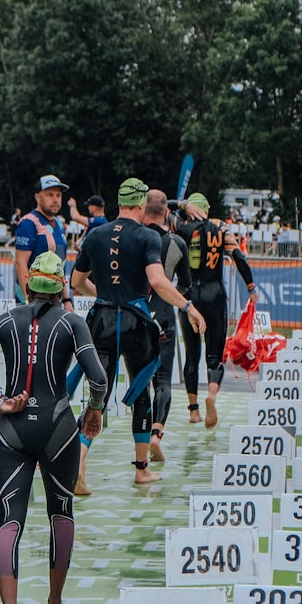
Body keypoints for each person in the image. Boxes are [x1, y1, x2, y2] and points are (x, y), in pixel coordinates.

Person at [0, 252, 109, 604]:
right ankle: (54, 603)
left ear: (27, 286)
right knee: (61, 511)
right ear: (60, 290)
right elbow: (99, 378)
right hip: (58, 429)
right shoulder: (72, 323)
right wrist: (94, 410)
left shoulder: (6, 320)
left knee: (9, 518)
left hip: (12, 428)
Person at [71, 177, 205, 487]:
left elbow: (76, 282)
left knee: (98, 394)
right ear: (142, 204)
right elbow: (157, 281)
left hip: (102, 321)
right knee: (141, 393)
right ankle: (141, 469)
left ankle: (79, 461)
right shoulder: (148, 236)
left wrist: (104, 295)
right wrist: (188, 307)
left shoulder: (96, 234)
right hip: (135, 322)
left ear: (119, 203)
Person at [177, 192, 255, 428]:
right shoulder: (220, 226)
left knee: (192, 354)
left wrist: (180, 204)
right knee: (214, 356)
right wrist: (250, 287)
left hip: (188, 295)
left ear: (190, 209)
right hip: (215, 294)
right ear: (207, 209)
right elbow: (238, 256)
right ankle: (211, 395)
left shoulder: (181, 225)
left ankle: (193, 410)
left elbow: (160, 206)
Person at [143, 189, 191, 461]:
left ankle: (139, 445)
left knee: (140, 382)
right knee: (163, 381)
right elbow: (185, 284)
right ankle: (156, 433)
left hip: (137, 313)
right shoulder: (176, 242)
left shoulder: (134, 236)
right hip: (163, 314)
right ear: (166, 213)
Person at [14, 175, 70, 303]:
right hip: (33, 299)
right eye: (50, 195)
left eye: (58, 195)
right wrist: (28, 301)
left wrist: (67, 300)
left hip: (54, 299)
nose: (55, 200)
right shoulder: (28, 223)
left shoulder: (59, 224)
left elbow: (60, 266)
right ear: (38, 198)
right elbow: (20, 263)